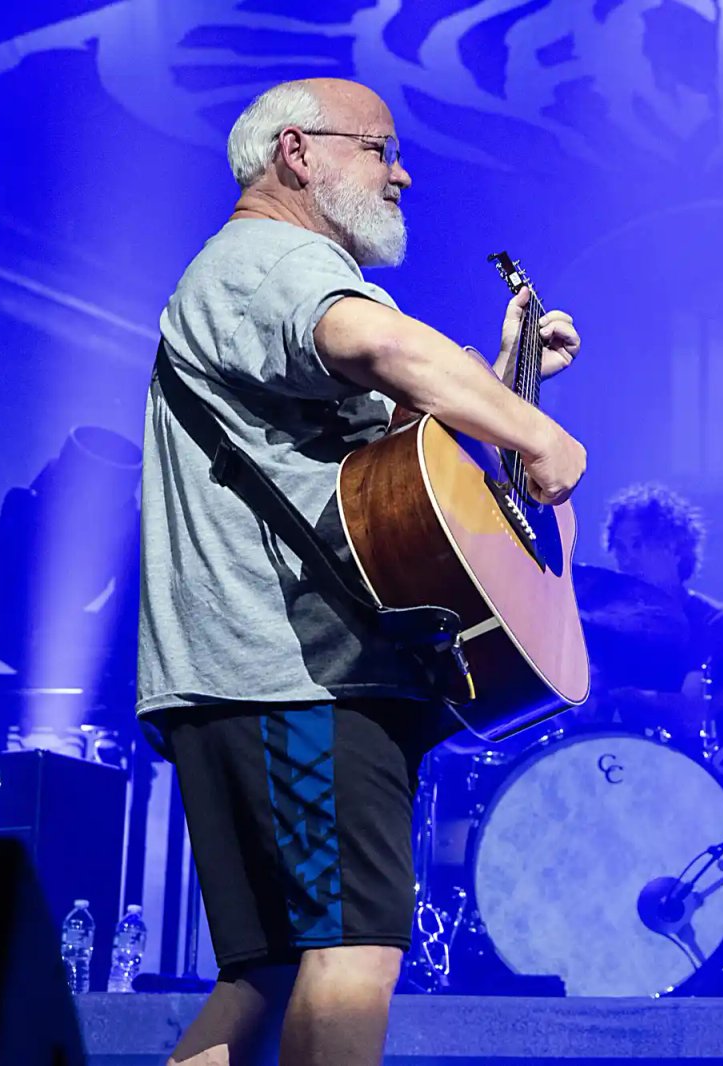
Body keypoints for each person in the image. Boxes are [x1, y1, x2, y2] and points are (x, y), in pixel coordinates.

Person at [138, 78, 587, 1066]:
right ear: (298, 153)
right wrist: (530, 427)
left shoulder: (247, 277)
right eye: (380, 149)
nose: (403, 171)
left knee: (270, 972)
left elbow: (383, 452)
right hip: (295, 676)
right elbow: (376, 341)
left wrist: (501, 375)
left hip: (250, 679)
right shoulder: (274, 259)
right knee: (350, 956)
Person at [591, 482, 723, 738]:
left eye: (638, 544)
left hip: (689, 769)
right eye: (620, 547)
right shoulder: (605, 623)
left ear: (675, 548)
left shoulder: (718, 623)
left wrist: (618, 693)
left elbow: (692, 711)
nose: (626, 559)